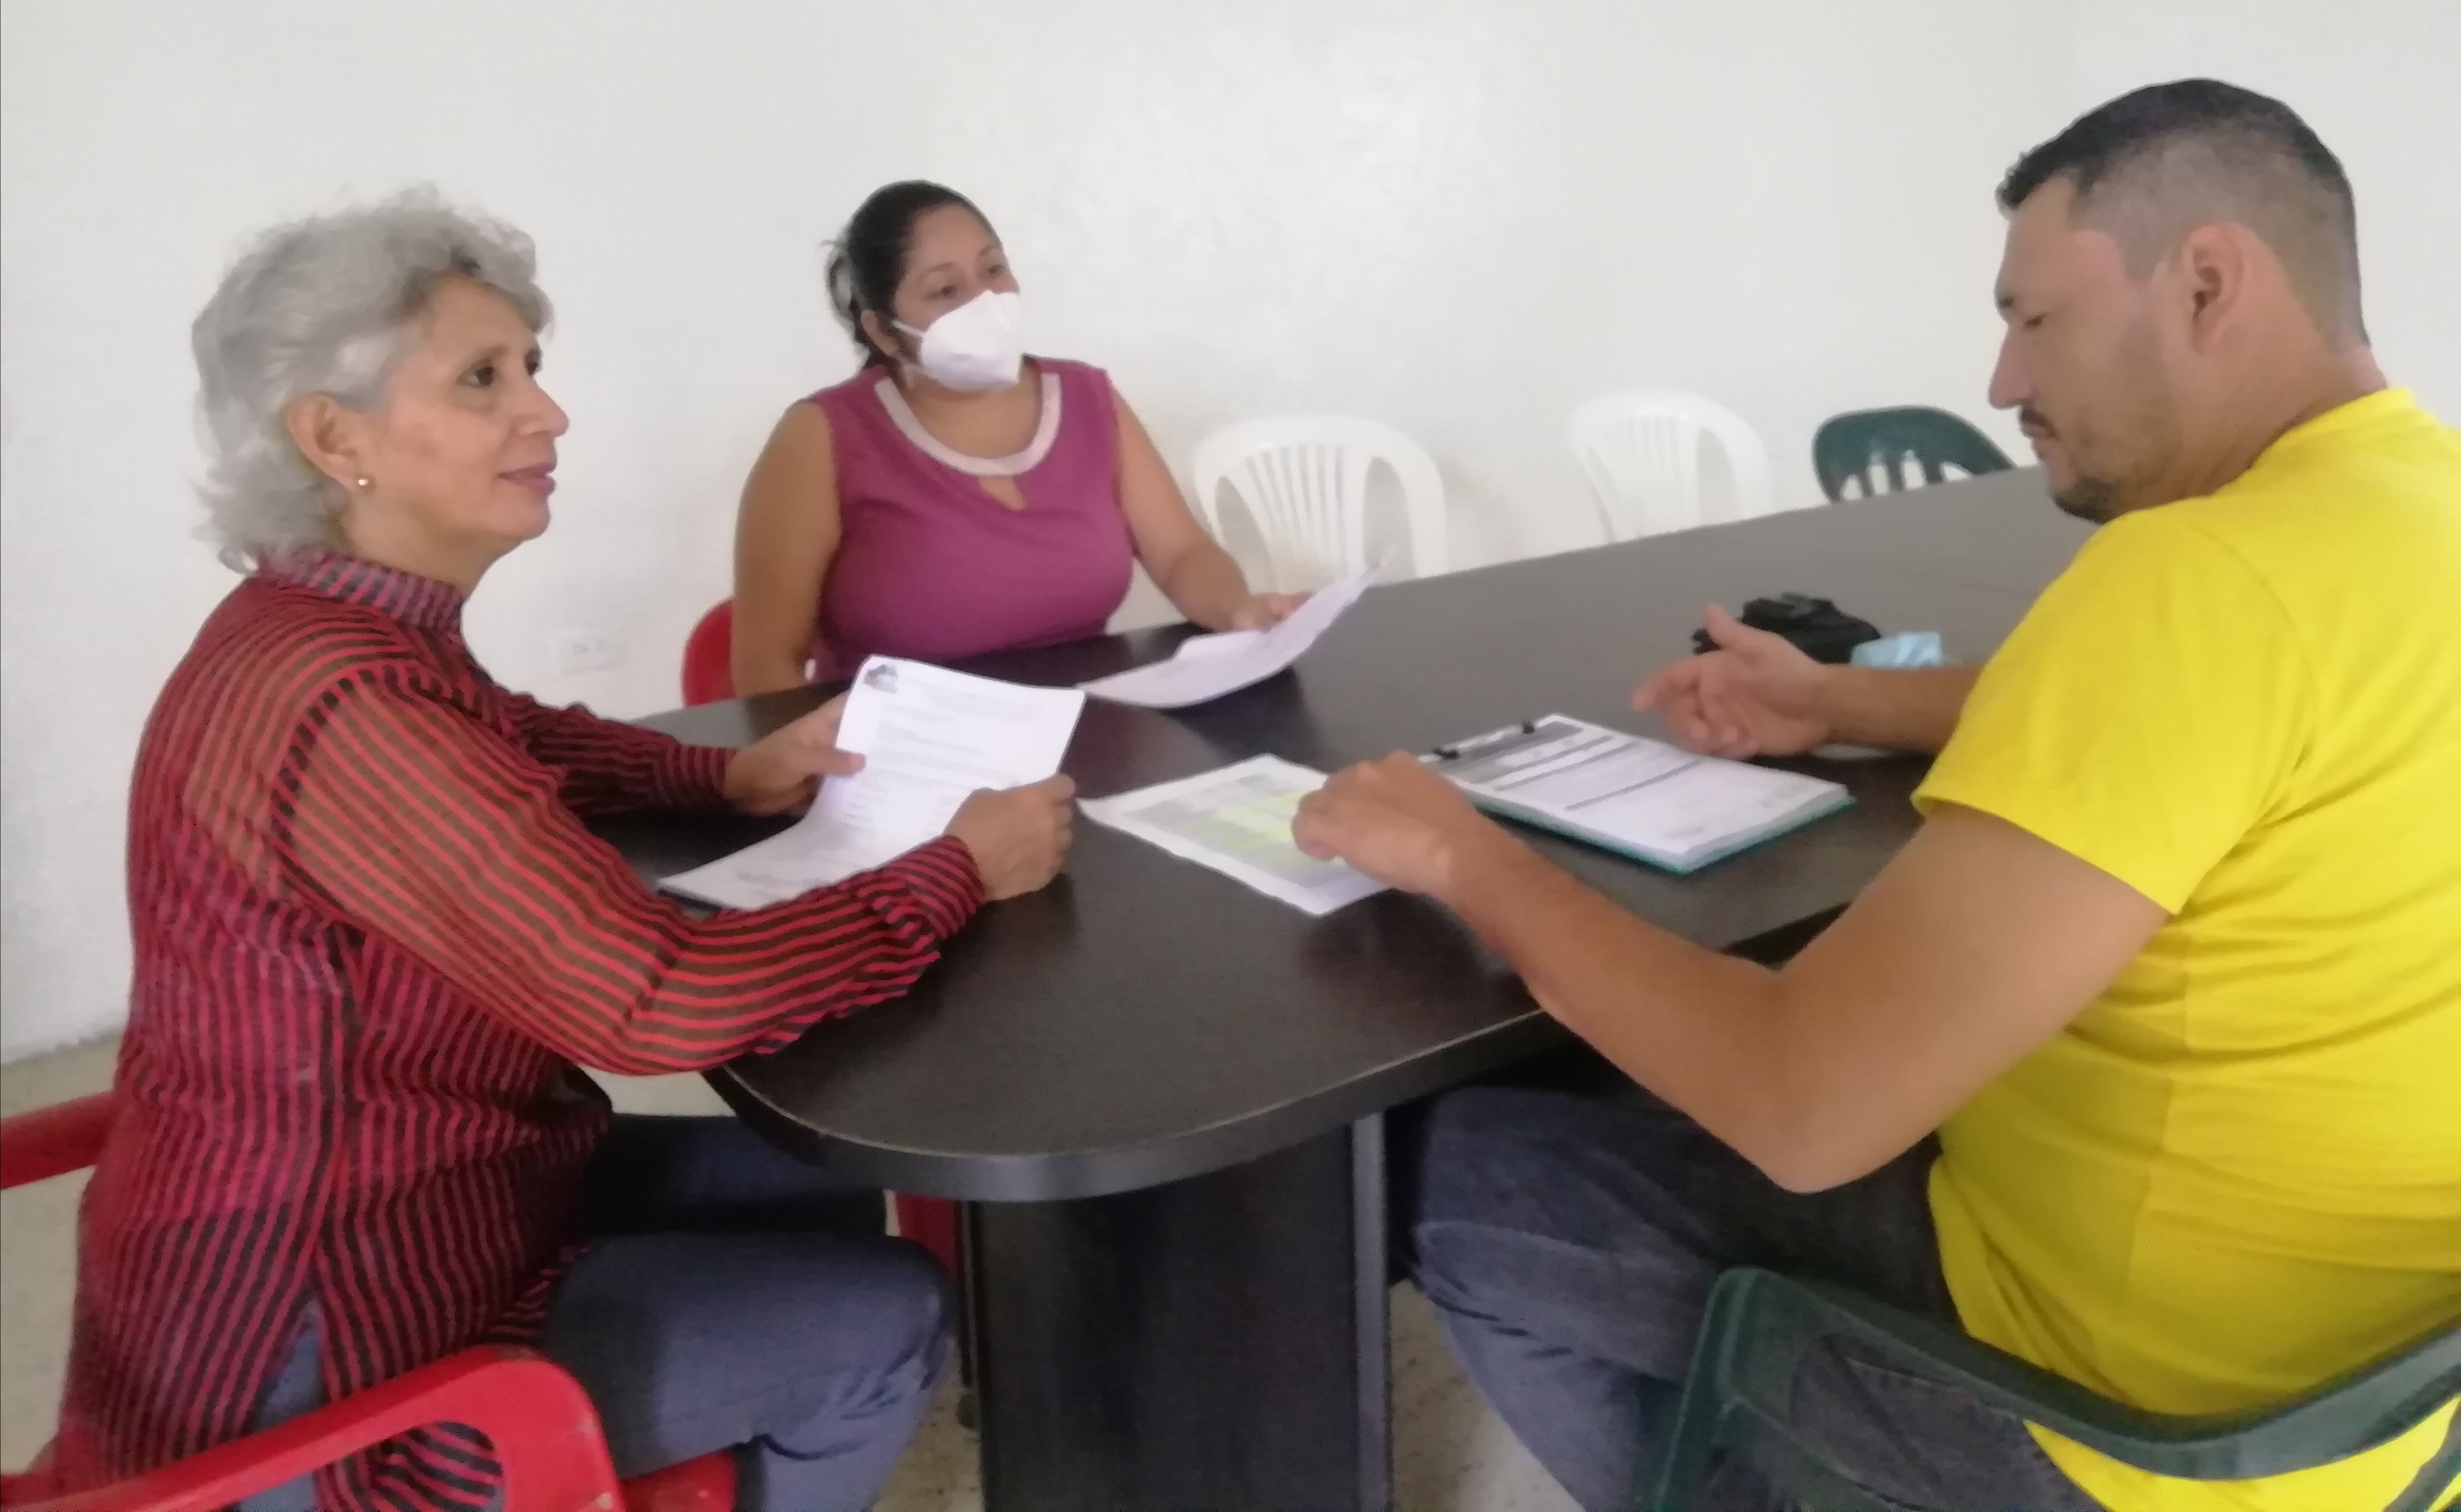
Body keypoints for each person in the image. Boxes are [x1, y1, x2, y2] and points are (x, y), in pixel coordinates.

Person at [1295, 80, 2459, 1512]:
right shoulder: (2410, 514)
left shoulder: (2196, 578)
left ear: (2207, 282)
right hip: (2374, 1418)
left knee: (1456, 1163)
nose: (2003, 381)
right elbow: (2225, 727)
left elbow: (1802, 1106)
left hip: (2118, 1427)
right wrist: (1837, 700)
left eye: (2034, 318)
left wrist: (1464, 856)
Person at [54, 192, 1076, 1512]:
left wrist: (723, 773)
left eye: (529, 366)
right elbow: (656, 1003)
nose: (548, 413)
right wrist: (957, 869)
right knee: (892, 1314)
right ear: (335, 437)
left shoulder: (328, 629)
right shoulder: (348, 702)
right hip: (321, 1331)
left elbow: (517, 736)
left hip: (427, 1188)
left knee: (820, 1184)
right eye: (483, 379)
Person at [729, 180, 1300, 694]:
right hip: (902, 753)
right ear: (883, 331)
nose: (984, 302)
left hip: (1085, 733)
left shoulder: (1088, 399)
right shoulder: (822, 437)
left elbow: (1180, 553)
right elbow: (766, 665)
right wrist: (820, 767)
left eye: (994, 269)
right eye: (945, 290)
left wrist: (1238, 611)